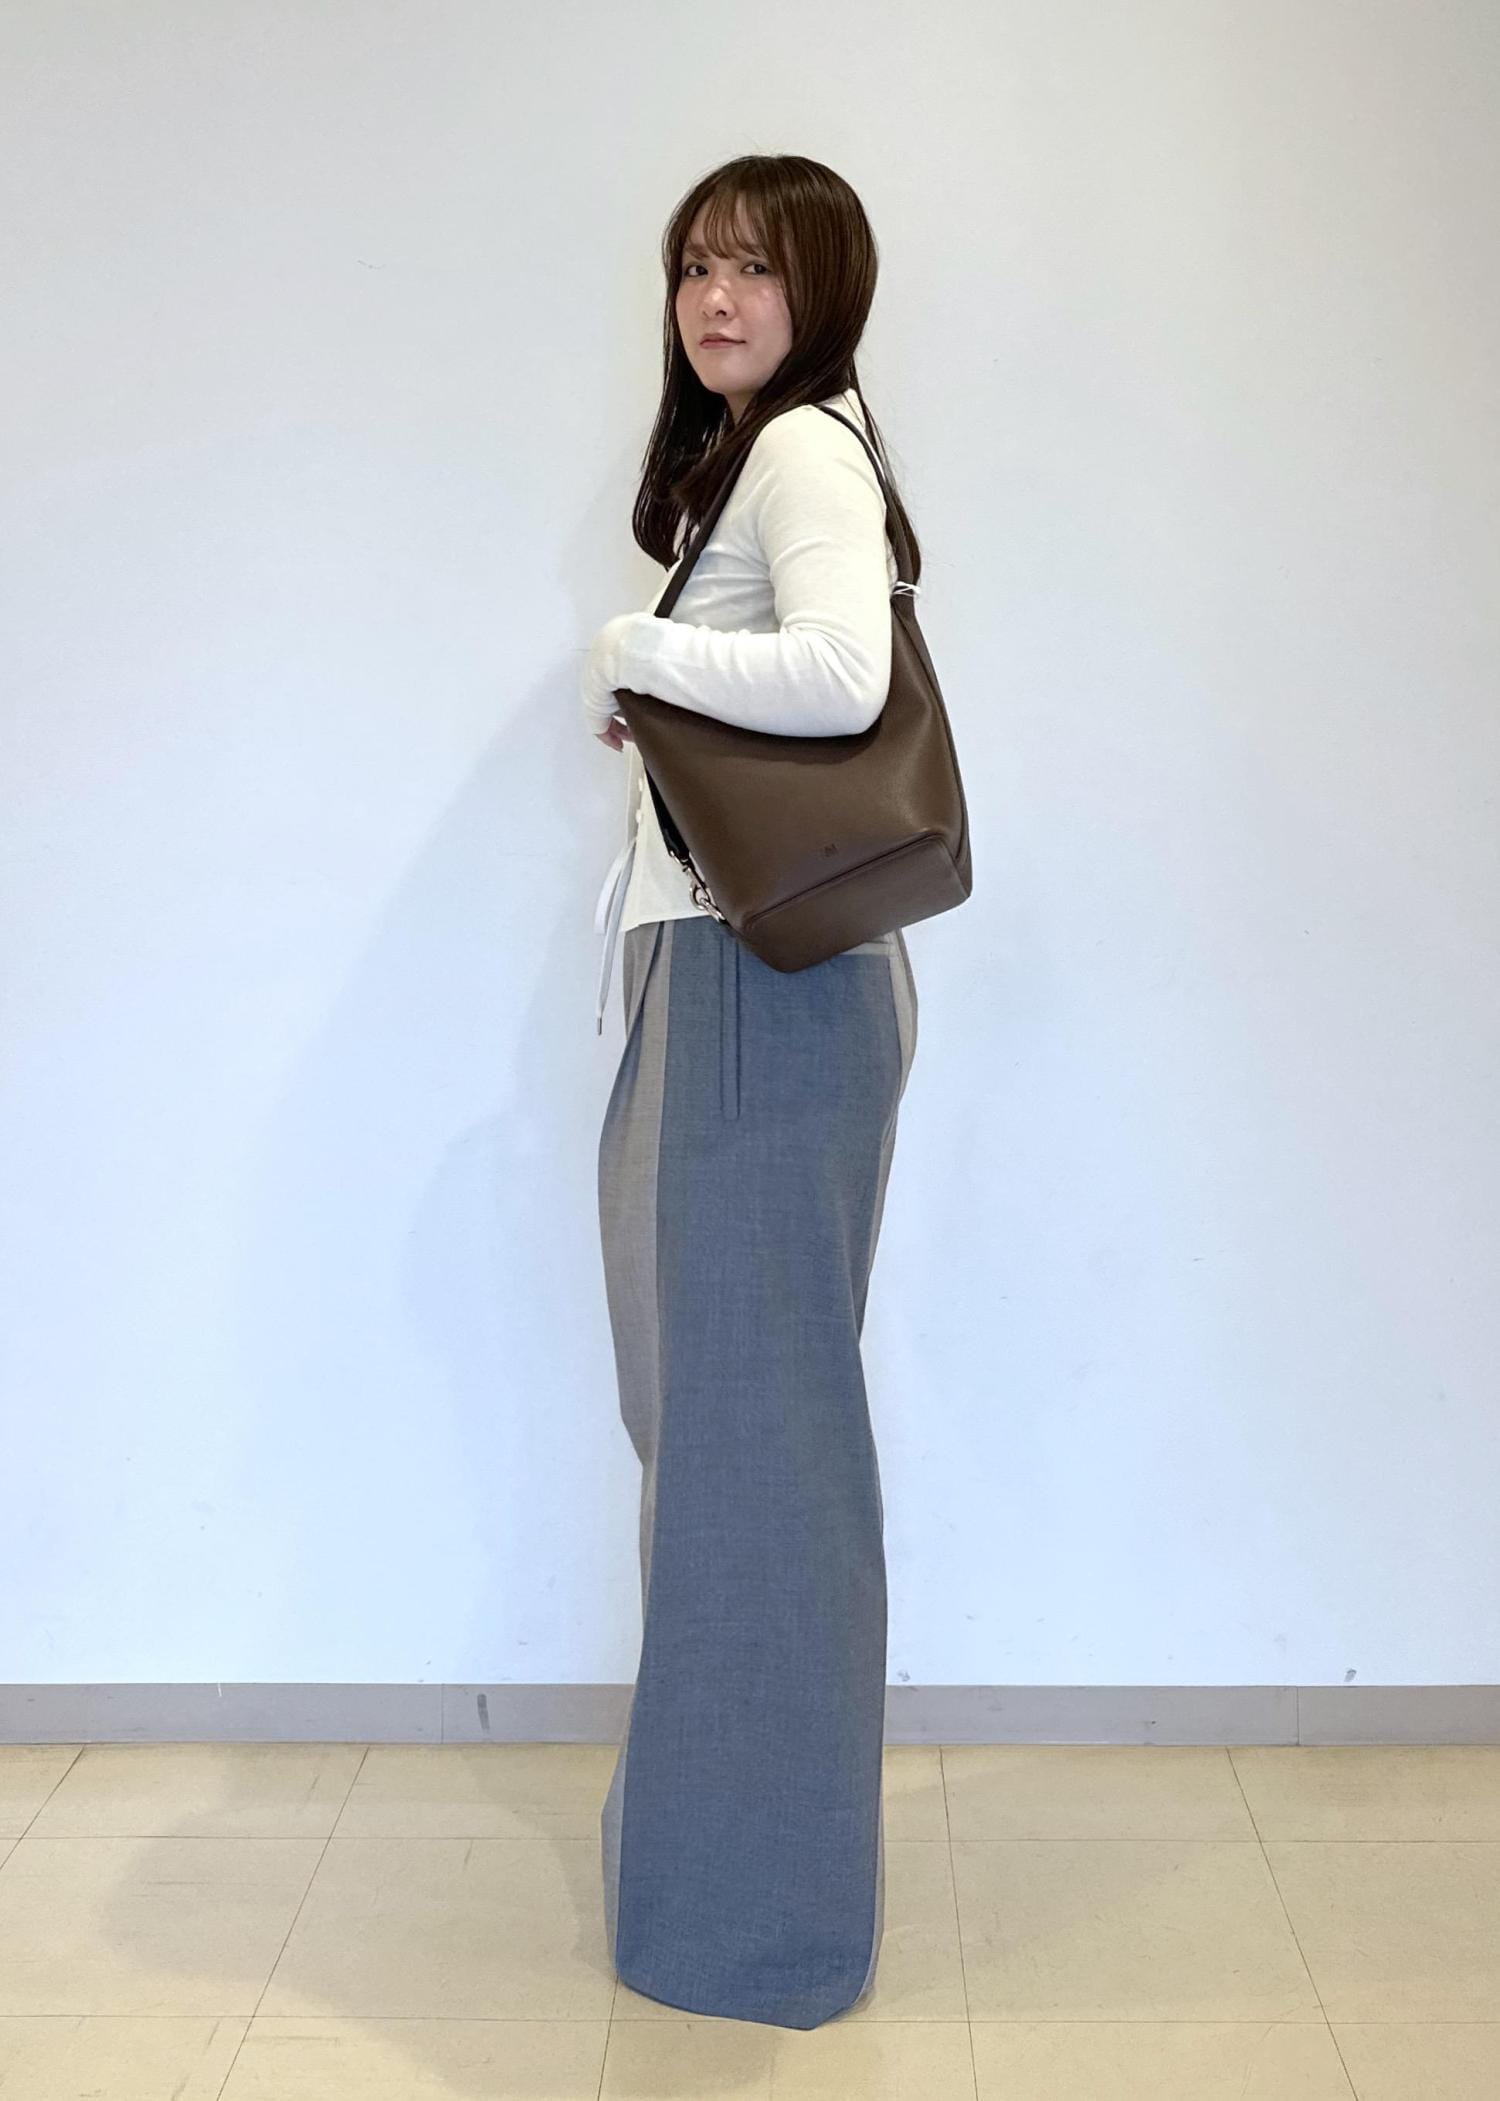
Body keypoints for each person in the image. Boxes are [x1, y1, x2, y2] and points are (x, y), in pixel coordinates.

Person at [578, 153, 922, 2031]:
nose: (716, 299)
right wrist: (670, 694)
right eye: (695, 267)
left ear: (821, 291)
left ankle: (756, 1928)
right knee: (726, 1438)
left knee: (748, 1455)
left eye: (755, 270)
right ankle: (735, 1889)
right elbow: (785, 687)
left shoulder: (799, 449)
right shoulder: (761, 453)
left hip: (752, 991)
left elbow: (844, 672)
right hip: (740, 980)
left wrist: (632, 647)